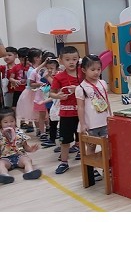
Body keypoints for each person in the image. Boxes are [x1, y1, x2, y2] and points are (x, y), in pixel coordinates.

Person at [76, 54, 111, 182]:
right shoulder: (81, 88)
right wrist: (83, 124)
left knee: (108, 146)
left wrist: (111, 116)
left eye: (98, 69)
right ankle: (92, 170)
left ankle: (108, 167)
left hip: (104, 121)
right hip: (91, 124)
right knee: (91, 147)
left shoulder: (103, 83)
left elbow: (106, 101)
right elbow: (80, 107)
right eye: (92, 69)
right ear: (84, 70)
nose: (96, 72)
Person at [50, 45, 83, 174]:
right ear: (61, 60)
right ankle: (64, 162)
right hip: (66, 114)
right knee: (65, 140)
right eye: (67, 59)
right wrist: (58, 96)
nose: (71, 62)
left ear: (78, 59)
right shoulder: (59, 77)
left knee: (82, 136)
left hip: (82, 112)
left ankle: (83, 155)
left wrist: (78, 89)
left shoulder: (83, 73)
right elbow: (52, 93)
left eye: (74, 59)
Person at [0, 108, 41, 184]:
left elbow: (25, 146)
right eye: (5, 122)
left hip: (19, 156)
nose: (9, 124)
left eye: (12, 121)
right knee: (1, 164)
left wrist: (30, 149)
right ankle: (4, 175)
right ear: (0, 123)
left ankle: (30, 172)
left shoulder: (19, 132)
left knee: (27, 160)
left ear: (15, 121)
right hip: (5, 158)